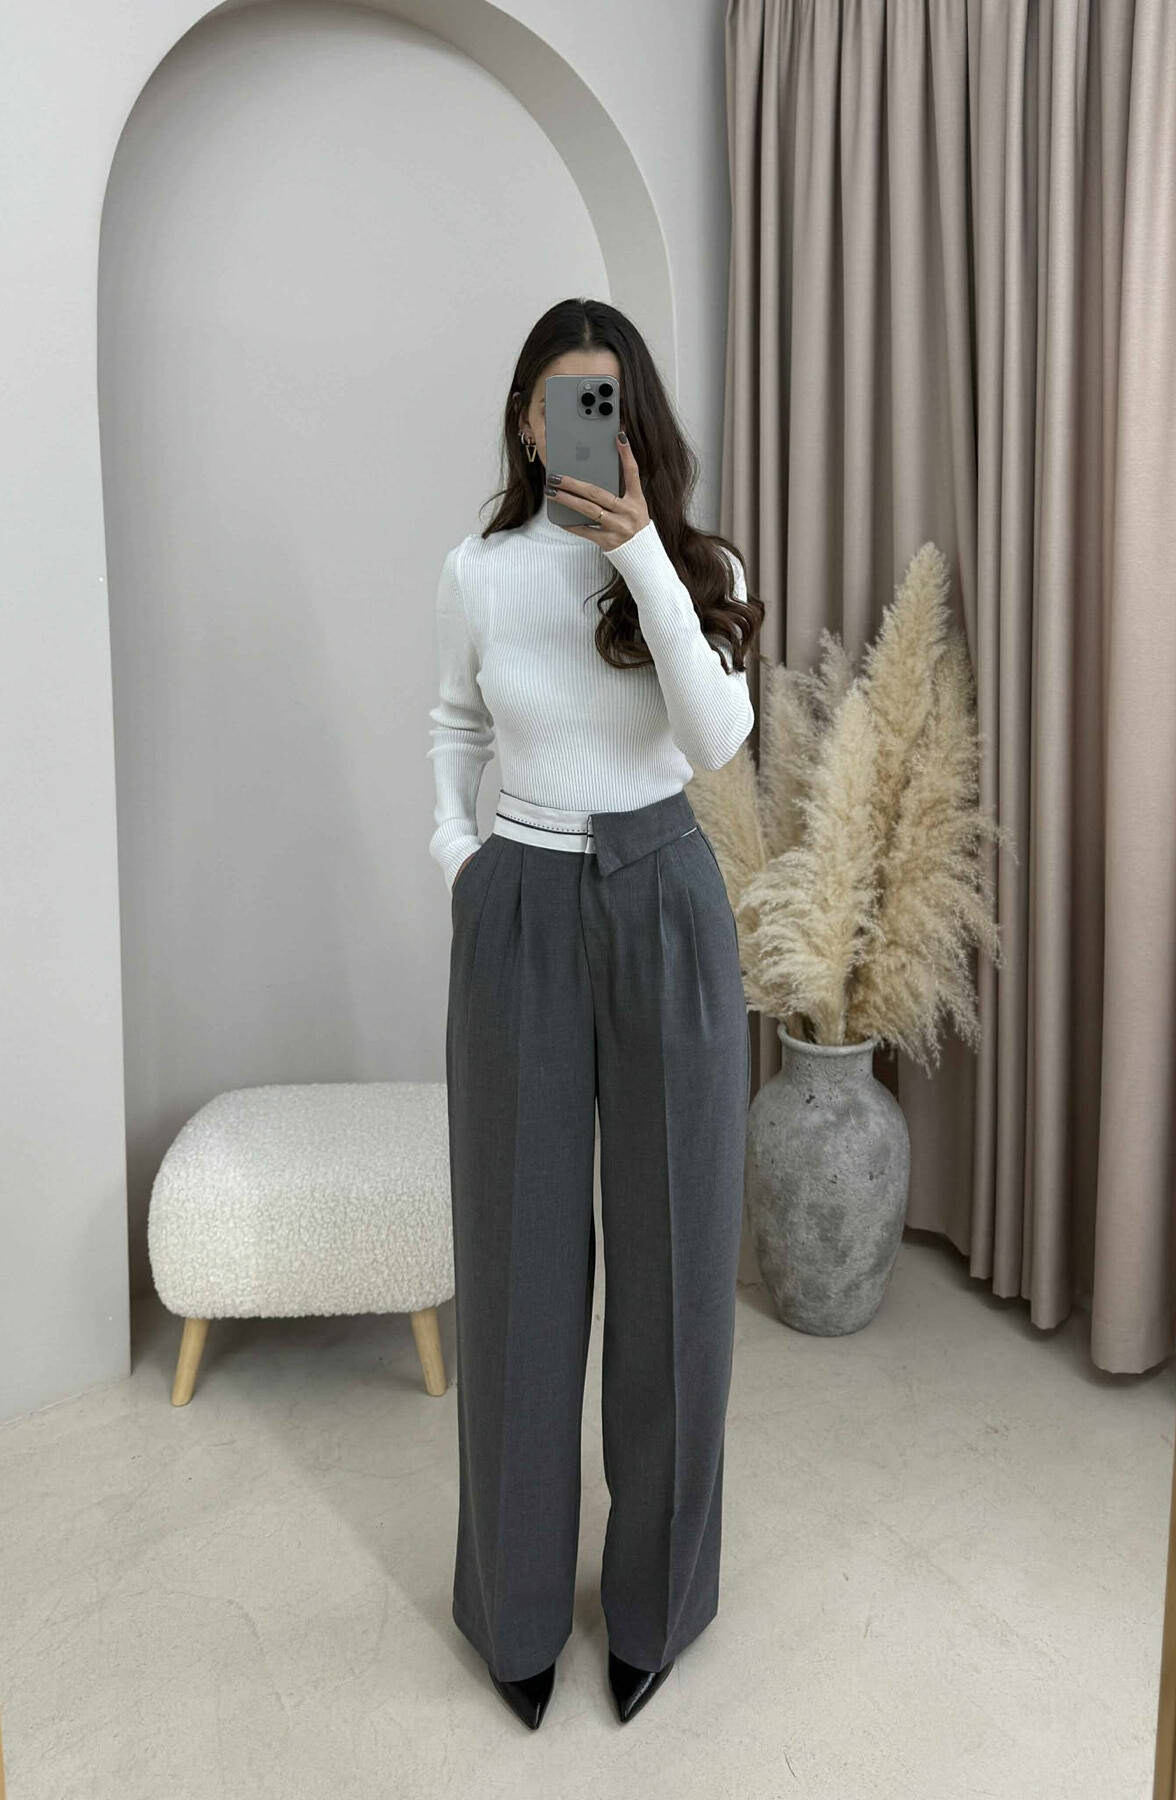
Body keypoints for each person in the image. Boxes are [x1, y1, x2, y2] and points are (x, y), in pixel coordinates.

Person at [427, 297, 763, 1729]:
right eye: (561, 401)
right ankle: (513, 1610)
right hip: (523, 901)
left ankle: (656, 1607)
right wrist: (460, 857)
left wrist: (642, 559)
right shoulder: (480, 571)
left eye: (606, 400)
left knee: (678, 1265)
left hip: (664, 892)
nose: (582, 424)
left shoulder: (693, 563)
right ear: (526, 422)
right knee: (515, 1264)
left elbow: (719, 741)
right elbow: (454, 721)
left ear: (634, 420)